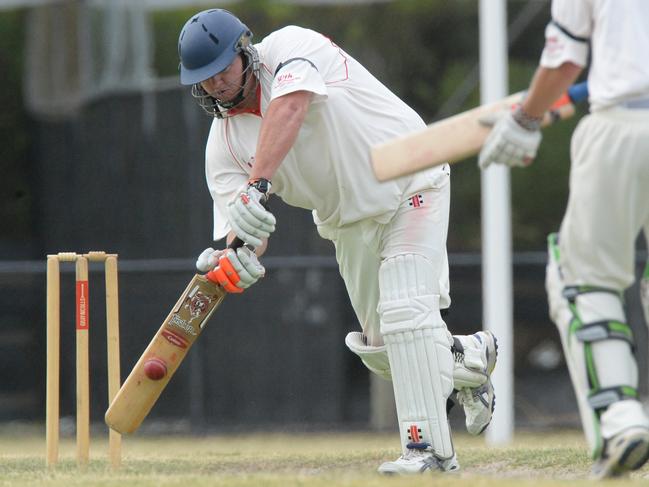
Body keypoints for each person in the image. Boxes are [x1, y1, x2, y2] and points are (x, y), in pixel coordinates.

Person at [179, 9, 497, 474]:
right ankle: (470, 357)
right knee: (387, 351)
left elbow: (290, 107)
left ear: (244, 53)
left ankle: (427, 453)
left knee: (407, 312)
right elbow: (245, 231)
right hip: (346, 222)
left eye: (221, 71)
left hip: (411, 177)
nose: (216, 86)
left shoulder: (290, 48)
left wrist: (257, 187)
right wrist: (236, 256)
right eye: (204, 80)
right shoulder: (222, 149)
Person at [479, 0, 649, 479]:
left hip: (623, 124)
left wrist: (525, 118)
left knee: (583, 278)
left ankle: (620, 419)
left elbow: (564, 58)